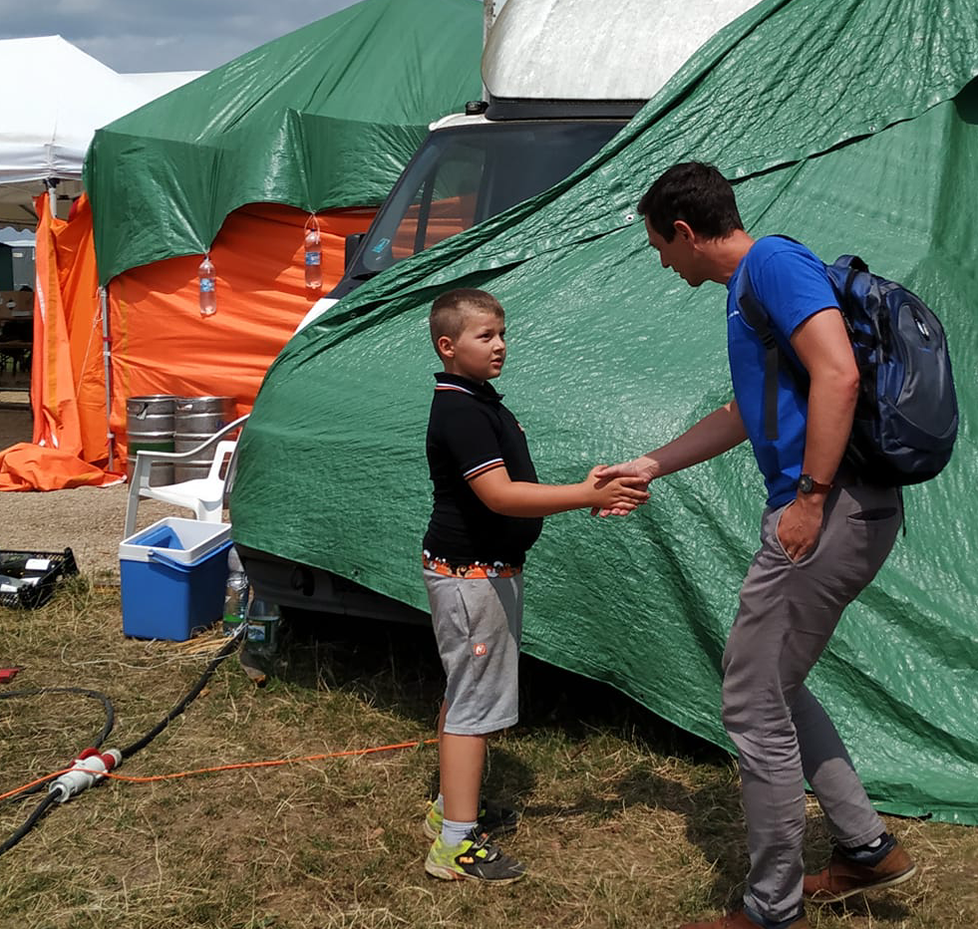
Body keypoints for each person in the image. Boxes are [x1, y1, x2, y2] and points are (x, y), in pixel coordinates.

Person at [596, 163, 916, 929]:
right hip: (842, 506)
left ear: (683, 230)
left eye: (660, 250)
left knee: (751, 704)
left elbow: (838, 376)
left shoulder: (772, 261)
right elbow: (751, 410)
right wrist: (653, 463)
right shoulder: (753, 290)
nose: (665, 266)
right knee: (775, 683)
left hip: (826, 508)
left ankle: (772, 908)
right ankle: (866, 849)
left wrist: (807, 499)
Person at [421, 287, 648, 883]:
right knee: (473, 703)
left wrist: (580, 491)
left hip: (483, 574)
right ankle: (455, 844)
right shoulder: (462, 410)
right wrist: (586, 496)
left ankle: (451, 806)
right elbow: (498, 494)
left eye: (502, 333)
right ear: (448, 346)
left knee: (463, 690)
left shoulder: (478, 399)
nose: (500, 345)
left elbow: (516, 486)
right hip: (472, 579)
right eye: (485, 336)